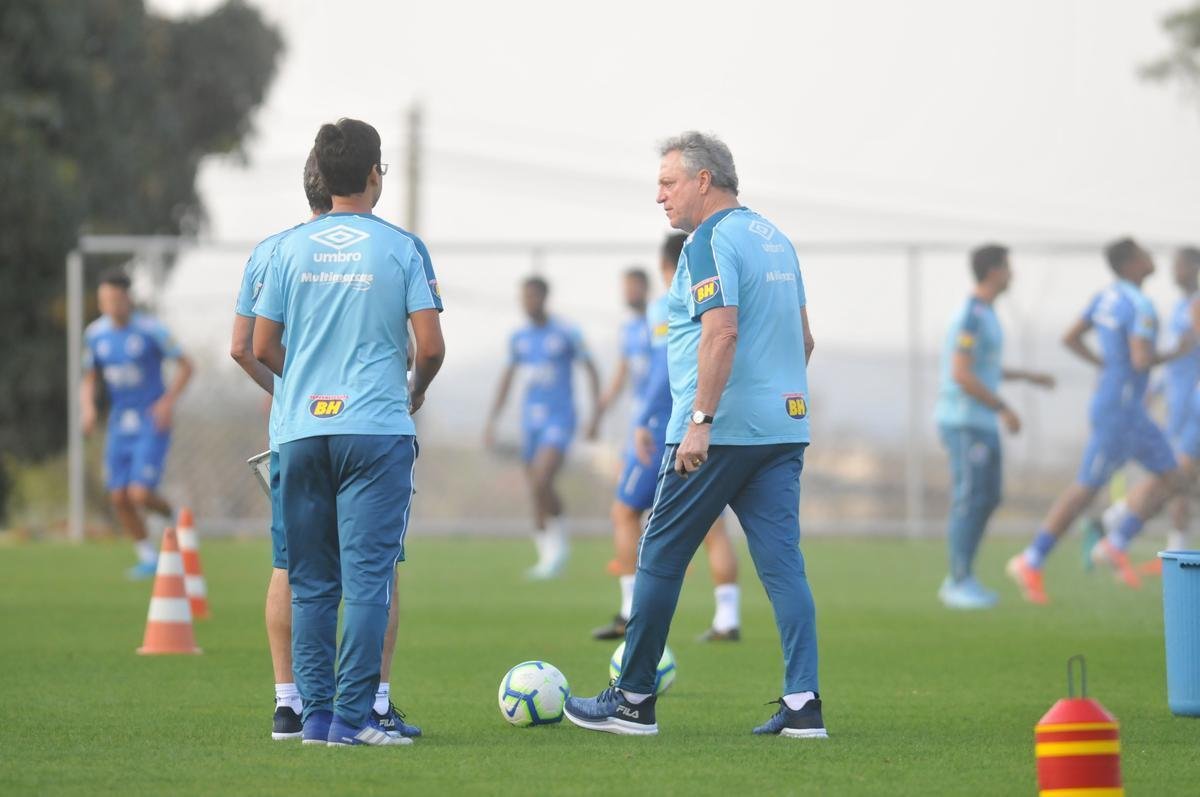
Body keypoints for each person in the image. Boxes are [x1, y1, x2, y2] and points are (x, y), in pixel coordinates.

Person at [565, 131, 824, 738]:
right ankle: (803, 706)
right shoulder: (776, 239)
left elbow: (721, 331)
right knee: (784, 567)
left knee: (658, 557)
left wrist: (702, 422)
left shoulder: (707, 242)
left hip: (720, 431)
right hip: (783, 428)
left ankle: (631, 701)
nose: (659, 196)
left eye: (667, 182)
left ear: (703, 180)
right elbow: (804, 340)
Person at [253, 117, 445, 747]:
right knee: (368, 580)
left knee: (310, 582)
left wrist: (308, 387)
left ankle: (314, 719)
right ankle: (356, 719)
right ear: (373, 176)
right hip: (375, 431)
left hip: (303, 431)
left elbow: (259, 345)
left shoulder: (286, 249)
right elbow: (431, 345)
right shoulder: (402, 247)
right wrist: (411, 391)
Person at [1007, 238, 1189, 604]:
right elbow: (1141, 361)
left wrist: (1105, 365)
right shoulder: (1141, 305)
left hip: (1123, 406)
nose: (1152, 257)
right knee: (1086, 488)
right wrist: (1175, 352)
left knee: (1174, 476)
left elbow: (1070, 337)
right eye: (1145, 253)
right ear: (1132, 264)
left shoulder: (1105, 296)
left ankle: (1115, 542)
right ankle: (1032, 558)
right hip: (1120, 411)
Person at [591, 232, 742, 642]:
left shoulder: (667, 304)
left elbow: (662, 369)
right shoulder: (718, 298)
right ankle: (728, 618)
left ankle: (628, 611)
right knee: (713, 525)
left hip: (665, 425)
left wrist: (641, 420)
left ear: (663, 267)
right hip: (712, 420)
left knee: (625, 512)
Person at [933, 245, 1054, 609]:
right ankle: (956, 581)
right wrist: (1004, 408)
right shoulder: (973, 315)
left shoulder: (987, 315)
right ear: (994, 271)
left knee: (988, 497)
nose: (1013, 275)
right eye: (1008, 267)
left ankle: (964, 574)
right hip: (964, 421)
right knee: (970, 498)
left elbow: (983, 368)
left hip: (980, 421)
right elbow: (961, 373)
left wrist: (1027, 377)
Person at [484, 277, 600, 579]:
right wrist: (493, 420)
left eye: (533, 296)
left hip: (560, 418)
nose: (527, 301)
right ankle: (545, 556)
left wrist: (596, 414)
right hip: (530, 421)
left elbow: (591, 369)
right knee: (535, 487)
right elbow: (507, 378)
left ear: (545, 297)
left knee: (541, 478)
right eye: (523, 296)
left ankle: (558, 549)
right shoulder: (519, 337)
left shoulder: (567, 332)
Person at [81, 269, 193, 579]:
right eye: (104, 300)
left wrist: (167, 402)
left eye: (116, 299)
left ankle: (176, 515)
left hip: (150, 421)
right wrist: (88, 409)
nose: (110, 306)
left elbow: (186, 365)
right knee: (118, 496)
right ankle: (147, 557)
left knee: (140, 494)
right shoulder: (95, 334)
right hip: (120, 423)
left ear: (127, 298)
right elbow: (89, 378)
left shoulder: (150, 329)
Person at [1098, 247, 1200, 574]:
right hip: (1186, 406)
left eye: (1180, 265)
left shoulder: (1193, 304)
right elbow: (1176, 359)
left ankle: (1127, 526)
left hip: (1190, 404)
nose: (1174, 271)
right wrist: (1155, 390)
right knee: (1177, 475)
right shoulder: (1184, 307)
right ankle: (1122, 529)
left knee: (1181, 475)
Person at [588, 266, 652, 439]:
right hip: (638, 409)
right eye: (626, 287)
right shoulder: (627, 329)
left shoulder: (659, 321)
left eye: (633, 286)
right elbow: (621, 375)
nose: (628, 291)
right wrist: (599, 414)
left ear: (646, 287)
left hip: (659, 408)